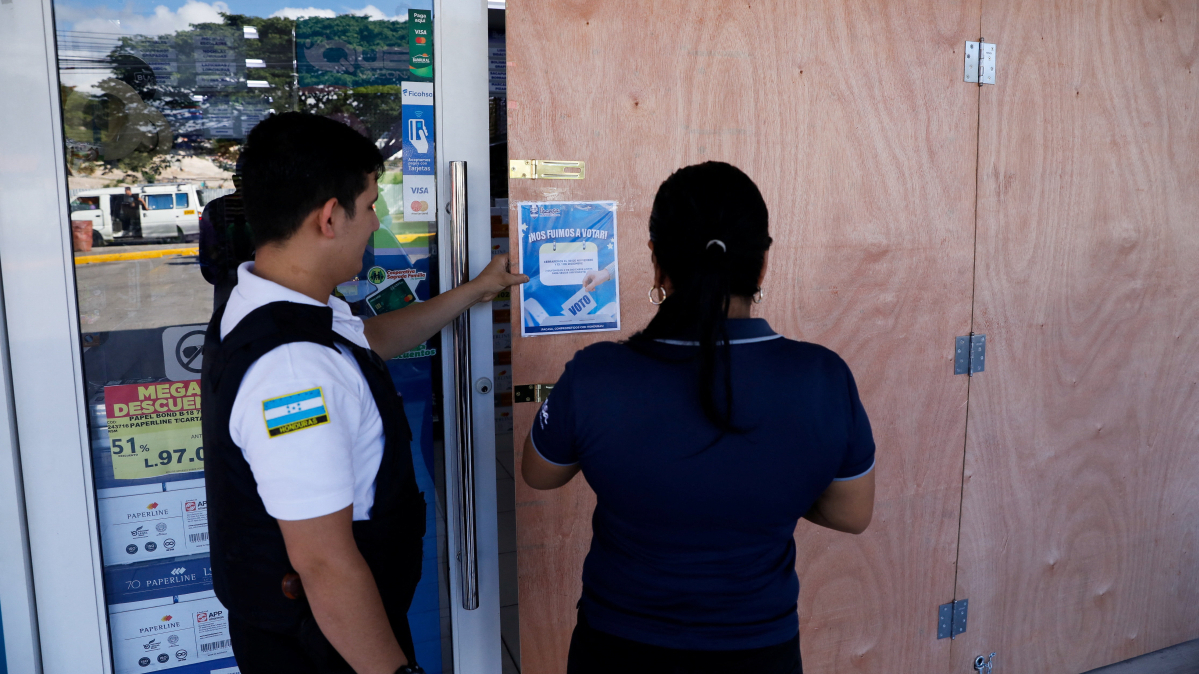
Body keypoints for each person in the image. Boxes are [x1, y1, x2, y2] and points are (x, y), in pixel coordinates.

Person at [201, 112, 526, 674]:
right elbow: (324, 565)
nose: (376, 222)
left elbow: (366, 341)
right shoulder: (295, 373)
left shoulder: (273, 302)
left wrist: (475, 291)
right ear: (329, 217)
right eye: (372, 204)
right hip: (327, 651)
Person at [521, 162, 876, 674]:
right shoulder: (823, 376)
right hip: (760, 653)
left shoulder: (596, 373)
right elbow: (851, 514)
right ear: (761, 265)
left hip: (617, 648)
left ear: (657, 262)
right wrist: (764, 497)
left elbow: (540, 474)